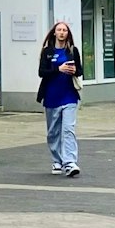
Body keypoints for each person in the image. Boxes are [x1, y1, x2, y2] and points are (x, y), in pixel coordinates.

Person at [36, 21, 82, 176]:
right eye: (59, 30)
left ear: (68, 33)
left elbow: (80, 71)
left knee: (68, 129)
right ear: (54, 33)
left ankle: (70, 162)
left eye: (65, 30)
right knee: (53, 132)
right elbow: (42, 72)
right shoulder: (47, 52)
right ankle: (57, 161)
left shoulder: (72, 51)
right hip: (51, 96)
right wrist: (58, 69)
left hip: (69, 96)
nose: (62, 32)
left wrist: (75, 70)